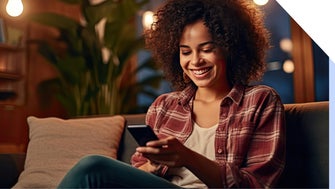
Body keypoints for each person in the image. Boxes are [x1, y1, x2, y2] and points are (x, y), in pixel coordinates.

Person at [58, 0, 285, 188]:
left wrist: (188, 157)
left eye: (207, 49)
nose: (195, 61)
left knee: (92, 168)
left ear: (230, 47)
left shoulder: (260, 101)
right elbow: (137, 173)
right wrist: (153, 166)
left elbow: (258, 185)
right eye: (185, 52)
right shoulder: (164, 106)